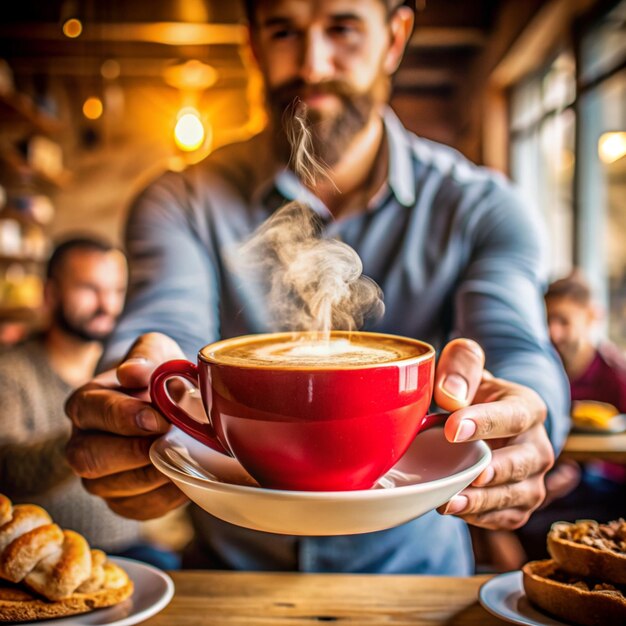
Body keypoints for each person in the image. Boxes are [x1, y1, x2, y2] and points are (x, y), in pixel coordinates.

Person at [65, 0, 569, 574]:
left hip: (417, 585)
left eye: (343, 28)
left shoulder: (484, 207)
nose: (312, 63)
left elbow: (516, 351)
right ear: (252, 44)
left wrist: (530, 420)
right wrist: (136, 400)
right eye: (284, 30)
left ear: (395, 37)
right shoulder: (180, 201)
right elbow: (164, 328)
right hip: (225, 585)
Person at [0, 237, 178, 569]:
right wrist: (88, 441)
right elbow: (7, 469)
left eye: (116, 291)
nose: (106, 304)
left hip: (130, 550)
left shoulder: (124, 368)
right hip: (41, 559)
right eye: (89, 289)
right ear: (50, 293)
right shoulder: (11, 371)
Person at [514, 271, 626, 561]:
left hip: (596, 492)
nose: (553, 333)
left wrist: (579, 472)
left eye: (564, 321)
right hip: (545, 482)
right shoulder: (537, 374)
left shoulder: (615, 375)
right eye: (547, 320)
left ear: (592, 317)